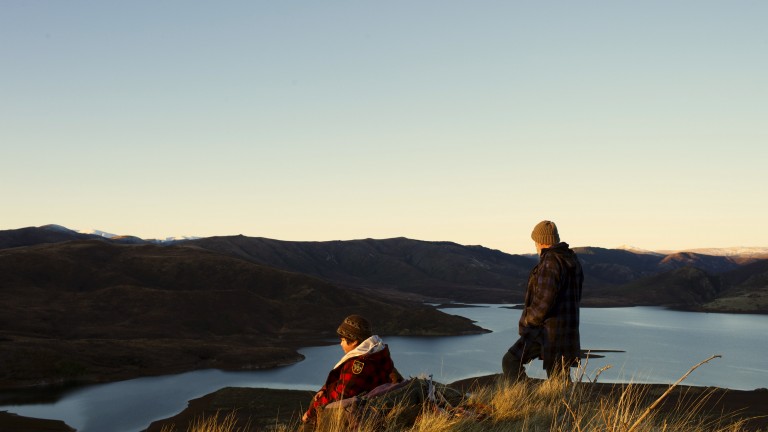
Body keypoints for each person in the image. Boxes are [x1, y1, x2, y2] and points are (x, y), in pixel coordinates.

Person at [502, 220, 584, 382]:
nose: (535, 246)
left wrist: (528, 320)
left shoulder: (551, 262)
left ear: (540, 241)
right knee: (559, 380)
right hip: (566, 331)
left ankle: (523, 400)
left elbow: (543, 303)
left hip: (546, 332)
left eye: (535, 242)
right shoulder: (572, 261)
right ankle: (558, 405)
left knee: (510, 361)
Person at [302, 314, 403, 424]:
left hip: (358, 414)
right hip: (374, 407)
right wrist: (324, 389)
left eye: (343, 340)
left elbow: (341, 395)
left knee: (310, 417)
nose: (341, 344)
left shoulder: (358, 363)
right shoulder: (377, 351)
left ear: (354, 341)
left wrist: (311, 412)